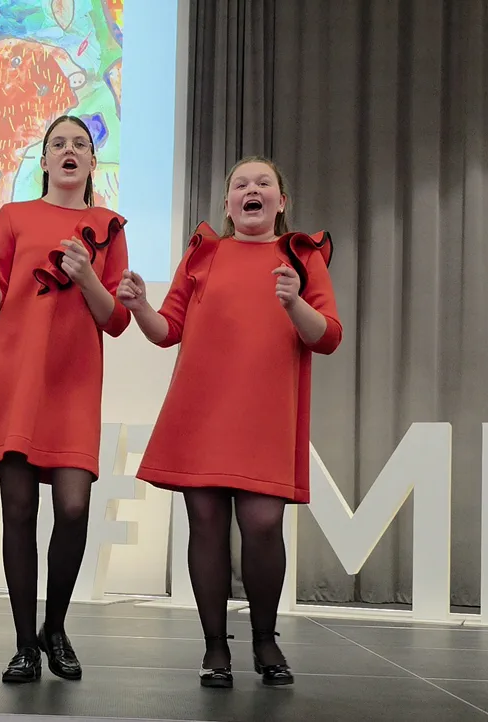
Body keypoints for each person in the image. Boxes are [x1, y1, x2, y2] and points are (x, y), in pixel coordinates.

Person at [116, 156, 341, 688]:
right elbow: (166, 330)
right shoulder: (205, 253)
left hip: (265, 412)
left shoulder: (301, 255)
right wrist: (141, 305)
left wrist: (293, 302)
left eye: (263, 183)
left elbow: (328, 336)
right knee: (207, 527)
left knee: (263, 525)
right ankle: (215, 647)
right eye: (241, 184)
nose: (251, 189)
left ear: (281, 202)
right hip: (202, 409)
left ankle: (265, 639)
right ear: (228, 203)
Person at [0, 115, 130, 684]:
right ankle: (25, 643)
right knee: (19, 511)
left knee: (73, 507)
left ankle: (56, 627)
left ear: (92, 162)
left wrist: (87, 277)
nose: (69, 151)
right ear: (44, 160)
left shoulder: (108, 226)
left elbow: (116, 320)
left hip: (73, 376)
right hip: (16, 371)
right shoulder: (14, 215)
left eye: (80, 144)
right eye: (58, 144)